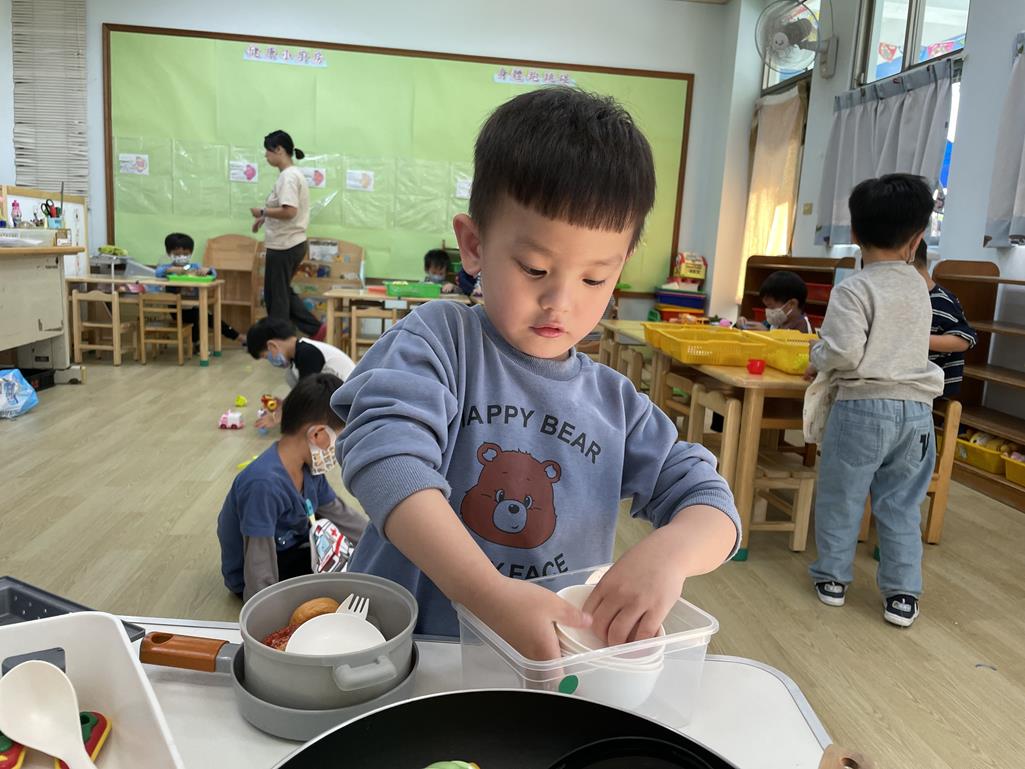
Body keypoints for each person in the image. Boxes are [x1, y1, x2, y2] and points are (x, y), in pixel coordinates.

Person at [332, 87, 740, 658]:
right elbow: (386, 463)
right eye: (534, 268)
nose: (560, 302)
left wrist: (671, 553)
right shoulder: (439, 342)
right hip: (406, 655)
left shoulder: (615, 404)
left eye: (594, 279)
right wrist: (488, 595)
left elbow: (710, 500)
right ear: (474, 245)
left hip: (544, 665)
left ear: (620, 268)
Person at [805, 174, 944, 628]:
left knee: (842, 497)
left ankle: (833, 580)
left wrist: (816, 354)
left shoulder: (854, 288)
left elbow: (844, 353)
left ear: (853, 232)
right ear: (917, 239)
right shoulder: (919, 287)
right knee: (901, 505)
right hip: (918, 411)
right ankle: (902, 595)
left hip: (863, 407)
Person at [217, 374, 367, 602]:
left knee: (356, 562)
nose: (337, 449)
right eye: (338, 439)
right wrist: (265, 608)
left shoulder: (309, 469)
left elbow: (342, 517)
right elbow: (258, 564)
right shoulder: (263, 484)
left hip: (290, 550)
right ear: (317, 434)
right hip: (255, 574)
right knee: (345, 586)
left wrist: (382, 543)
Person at [250, 130, 325, 340]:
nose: (265, 155)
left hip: (285, 245)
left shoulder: (289, 176)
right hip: (289, 243)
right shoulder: (290, 175)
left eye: (268, 151)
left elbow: (290, 211)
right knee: (280, 292)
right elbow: (285, 209)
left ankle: (281, 341)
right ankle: (314, 329)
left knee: (276, 298)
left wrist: (263, 211)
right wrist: (264, 218)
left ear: (279, 150)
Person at [246, 317, 355, 430]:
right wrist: (285, 404)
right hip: (339, 398)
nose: (270, 360)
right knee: (291, 376)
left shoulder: (307, 353)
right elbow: (301, 389)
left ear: (272, 346)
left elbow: (306, 395)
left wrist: (279, 416)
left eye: (266, 356)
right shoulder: (299, 353)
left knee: (300, 420)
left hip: (349, 405)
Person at [912, 241, 977, 397]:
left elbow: (964, 340)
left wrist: (916, 340)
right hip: (914, 384)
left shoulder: (942, 301)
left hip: (933, 390)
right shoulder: (906, 299)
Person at [153, 232, 244, 344]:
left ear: (191, 253)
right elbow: (157, 272)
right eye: (177, 254)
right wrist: (170, 269)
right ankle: (198, 343)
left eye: (185, 254)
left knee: (203, 316)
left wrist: (208, 271)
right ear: (169, 253)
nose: (181, 257)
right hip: (177, 307)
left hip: (194, 305)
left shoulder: (193, 266)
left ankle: (198, 343)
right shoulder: (167, 268)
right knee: (201, 316)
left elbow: (213, 273)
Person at [738, 270, 814, 332]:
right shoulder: (776, 322)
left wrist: (767, 334)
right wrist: (743, 324)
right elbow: (760, 327)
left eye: (772, 307)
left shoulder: (802, 327)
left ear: (792, 304)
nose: (768, 311)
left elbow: (787, 345)